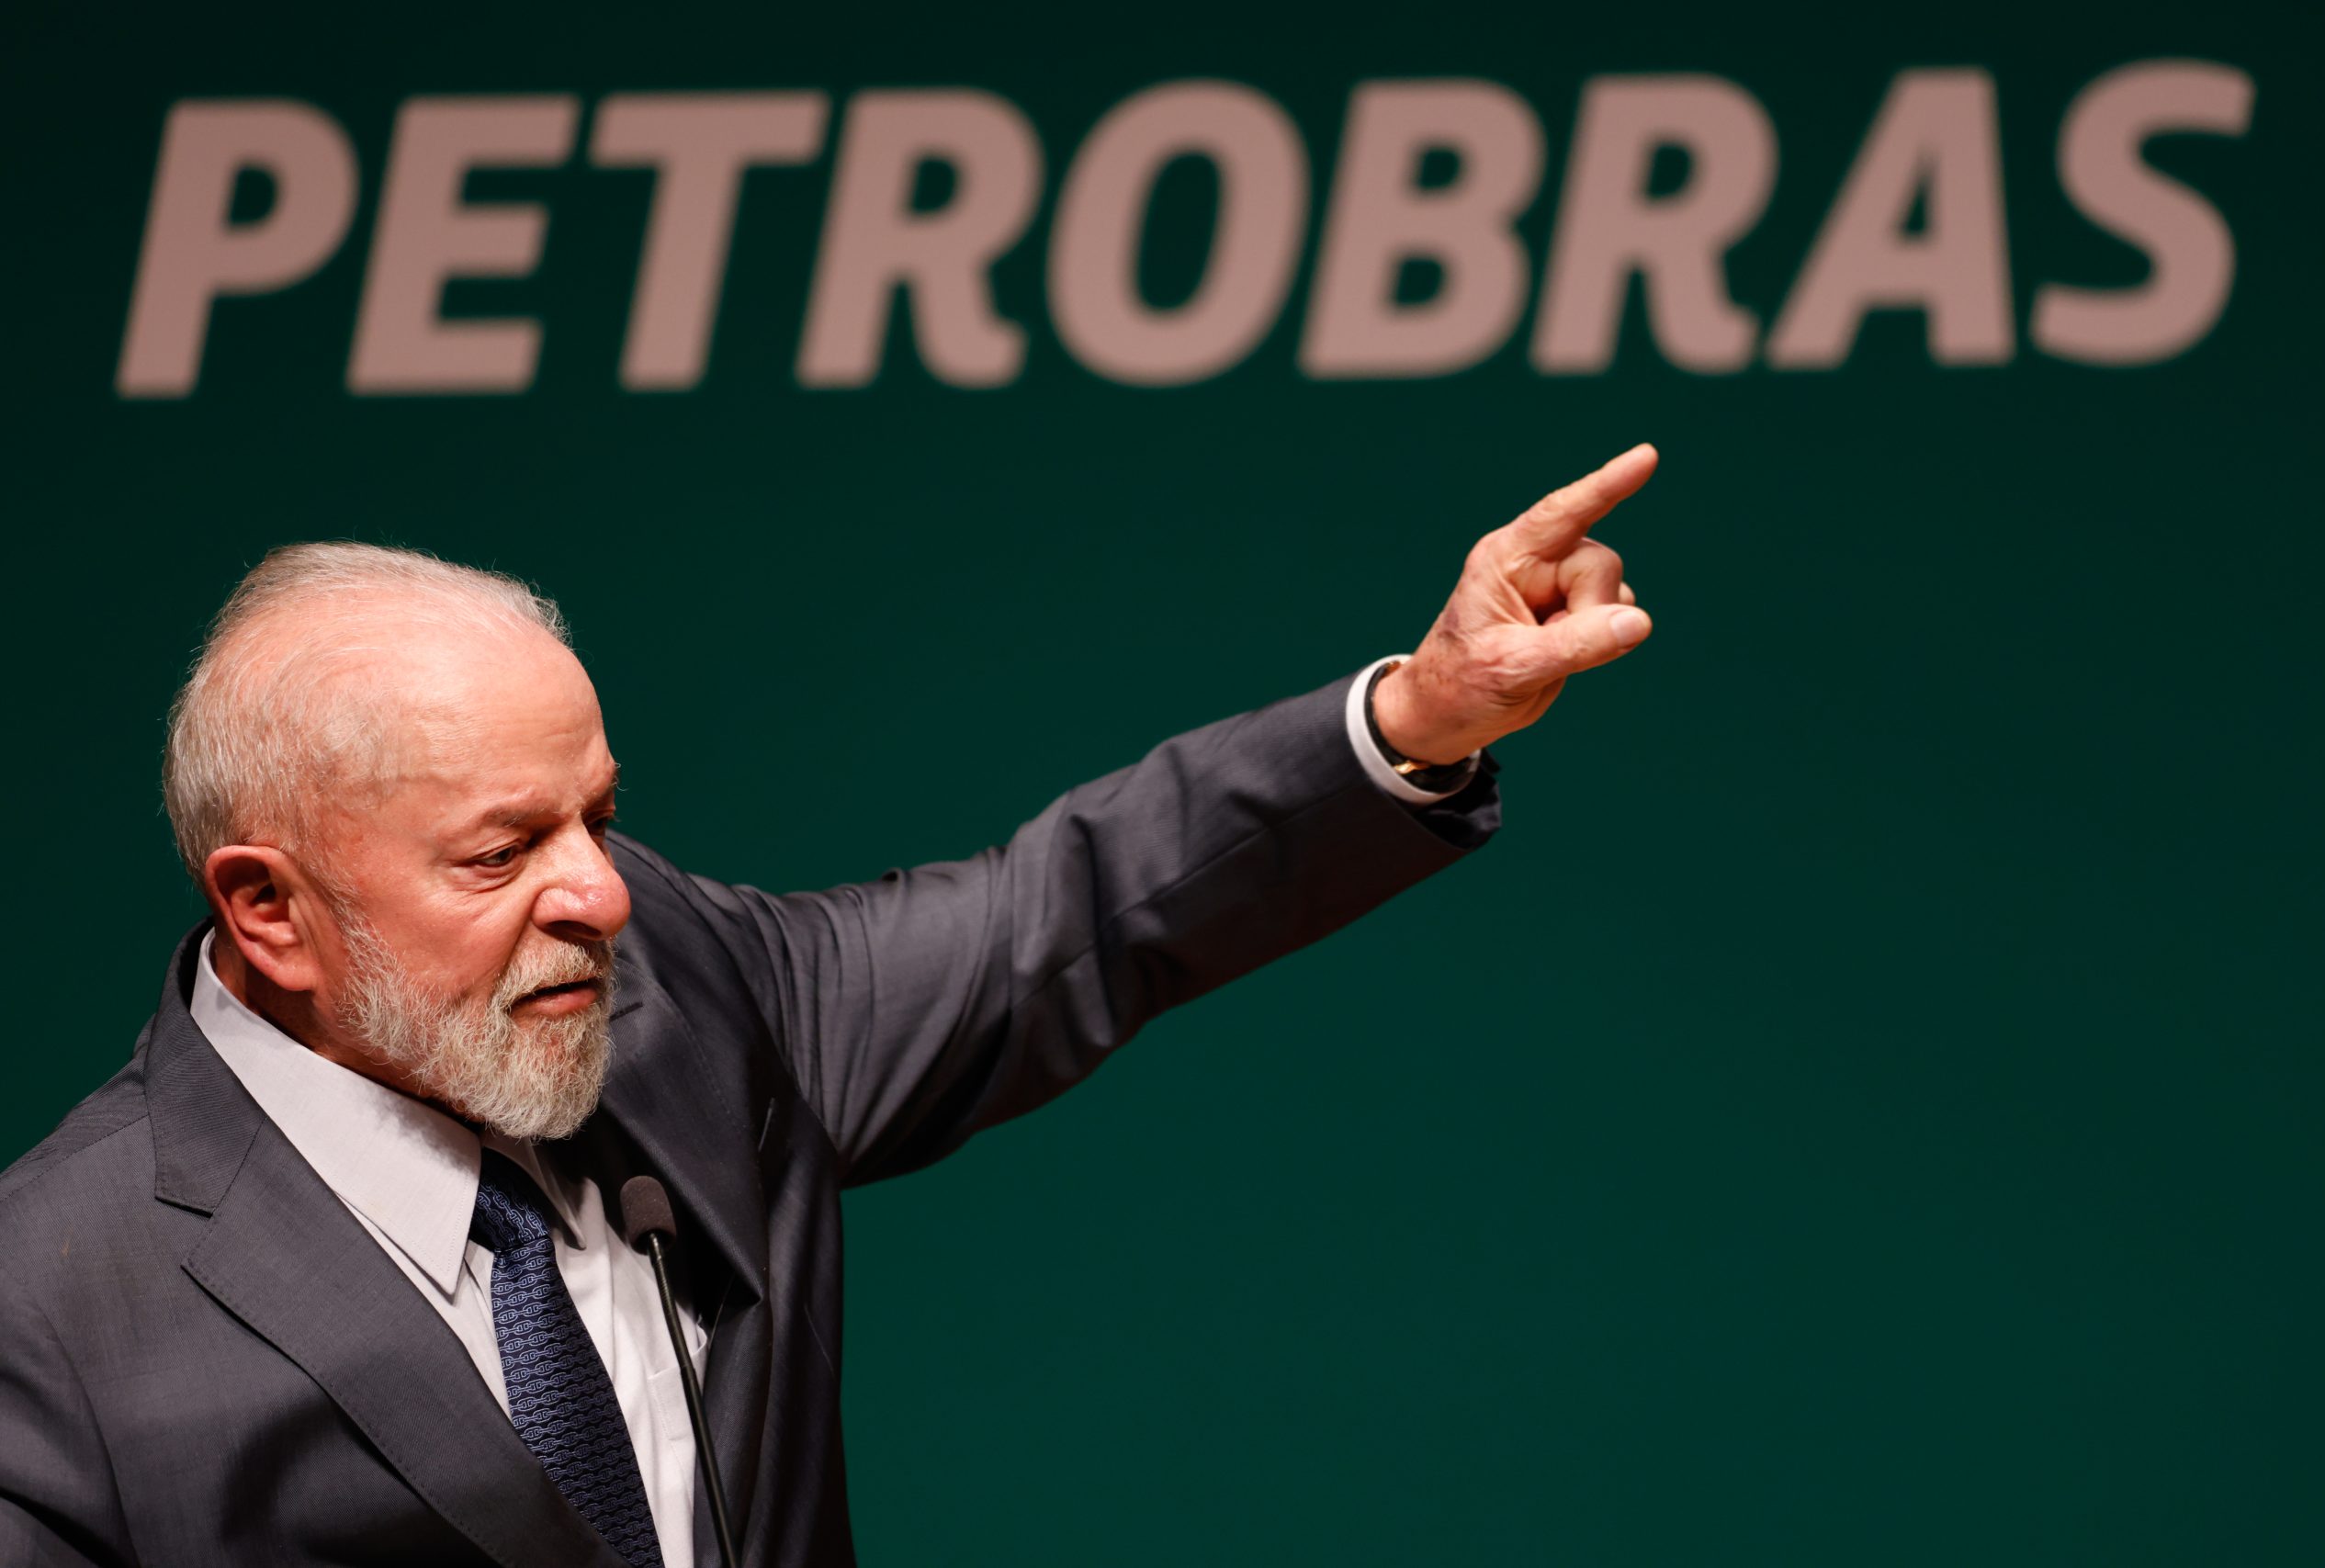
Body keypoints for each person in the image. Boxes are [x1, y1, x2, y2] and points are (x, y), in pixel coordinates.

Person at [0, 446, 1660, 1567]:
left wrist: (1420, 717)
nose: (600, 891)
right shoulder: (48, 1318)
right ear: (269, 910)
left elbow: (1053, 918)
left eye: (597, 810)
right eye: (501, 851)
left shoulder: (681, 991)